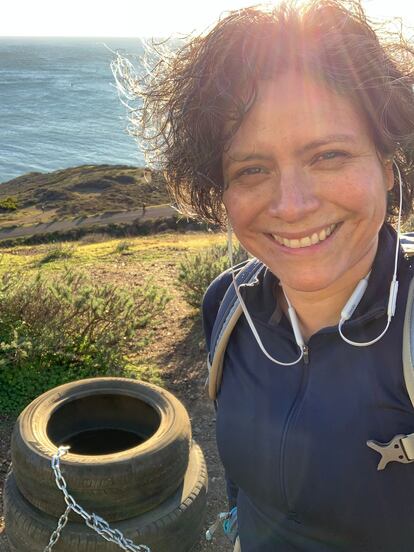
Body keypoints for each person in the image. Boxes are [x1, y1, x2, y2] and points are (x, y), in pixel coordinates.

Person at [118, 1, 414, 549]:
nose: (292, 205)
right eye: (252, 169)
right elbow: (244, 491)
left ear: (388, 167)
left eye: (328, 155)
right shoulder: (227, 307)